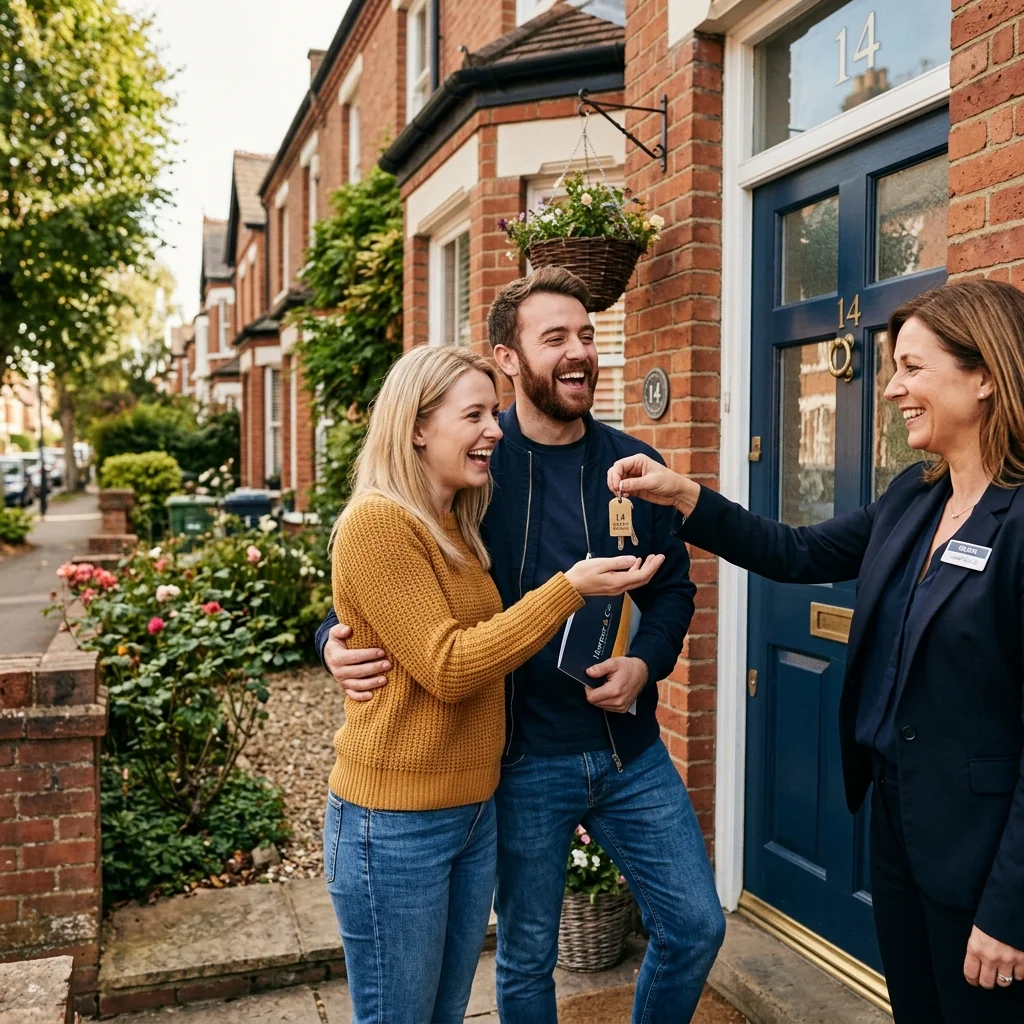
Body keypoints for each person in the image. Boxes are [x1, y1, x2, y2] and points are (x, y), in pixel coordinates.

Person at [608, 278, 1024, 1022]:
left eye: (913, 368)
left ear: (986, 375)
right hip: (899, 825)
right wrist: (683, 495)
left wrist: (1011, 908)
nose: (893, 388)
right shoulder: (915, 495)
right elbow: (796, 551)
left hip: (984, 850)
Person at [318, 267, 726, 1023]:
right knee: (527, 953)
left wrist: (646, 663)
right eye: (555, 338)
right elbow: (389, 586)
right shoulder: (474, 474)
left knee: (698, 925)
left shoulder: (632, 466)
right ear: (509, 358)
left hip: (627, 750)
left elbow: (671, 588)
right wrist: (333, 638)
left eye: (587, 336)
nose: (579, 353)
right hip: (519, 759)